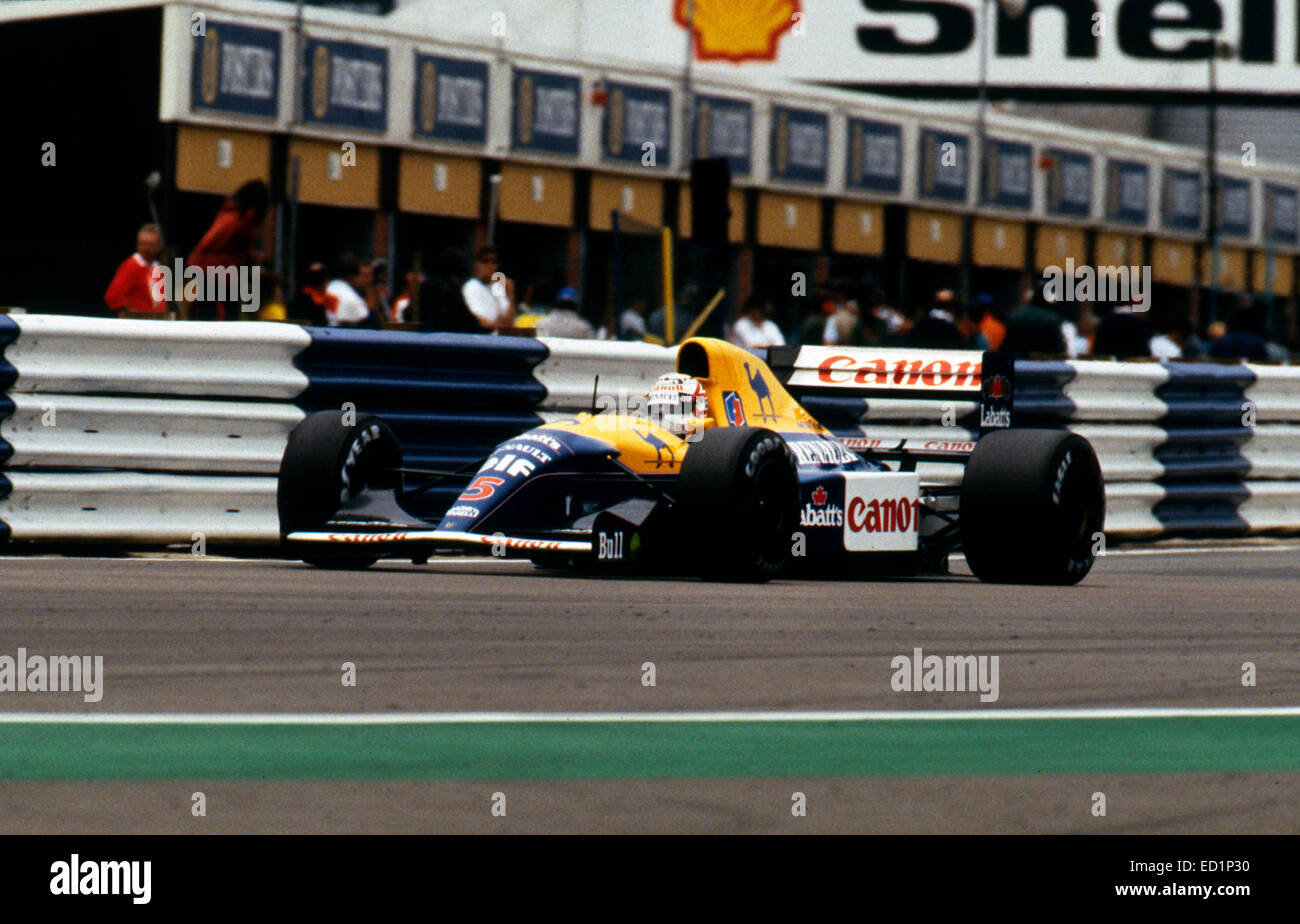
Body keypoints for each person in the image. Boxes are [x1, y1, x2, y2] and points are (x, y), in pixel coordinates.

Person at [188, 179, 269, 320]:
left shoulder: (229, 212)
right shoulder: (245, 218)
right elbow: (242, 244)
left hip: (205, 266)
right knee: (230, 311)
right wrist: (254, 256)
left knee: (206, 310)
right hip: (221, 268)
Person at [104, 223, 165, 316]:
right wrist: (134, 313)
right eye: (143, 244)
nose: (147, 249)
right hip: (137, 325)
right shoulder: (130, 266)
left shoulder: (158, 268)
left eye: (151, 244)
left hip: (156, 324)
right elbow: (113, 297)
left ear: (159, 246)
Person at [418, 248, 481, 333]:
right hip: (442, 338)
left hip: (427, 335)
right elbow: (467, 320)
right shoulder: (451, 290)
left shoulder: (427, 285)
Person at [1003, 281, 1067, 356]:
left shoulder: (1015, 315)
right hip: (1042, 365)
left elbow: (1006, 346)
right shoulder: (1052, 320)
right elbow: (1059, 349)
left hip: (1018, 363)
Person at [461, 245, 515, 330]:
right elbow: (480, 322)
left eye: (494, 262)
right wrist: (500, 325)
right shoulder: (471, 287)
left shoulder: (496, 287)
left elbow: (510, 322)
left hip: (500, 336)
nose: (490, 266)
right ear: (476, 265)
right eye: (485, 261)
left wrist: (510, 295)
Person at [325, 254, 374, 328]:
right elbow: (365, 319)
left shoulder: (332, 286)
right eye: (364, 275)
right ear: (353, 276)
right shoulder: (349, 296)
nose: (368, 280)